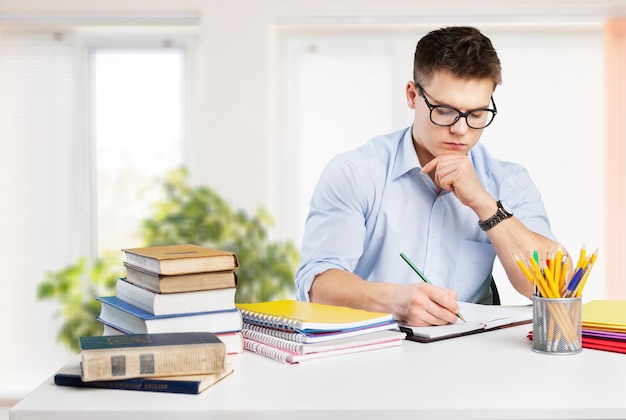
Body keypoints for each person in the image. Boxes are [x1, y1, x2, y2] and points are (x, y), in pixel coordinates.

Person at [294, 26, 568, 327]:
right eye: (445, 110)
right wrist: (393, 302)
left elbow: (556, 285)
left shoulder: (509, 181)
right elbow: (316, 283)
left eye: (477, 114)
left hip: (473, 355)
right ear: (413, 95)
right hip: (373, 353)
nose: (461, 130)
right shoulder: (355, 172)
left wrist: (485, 205)